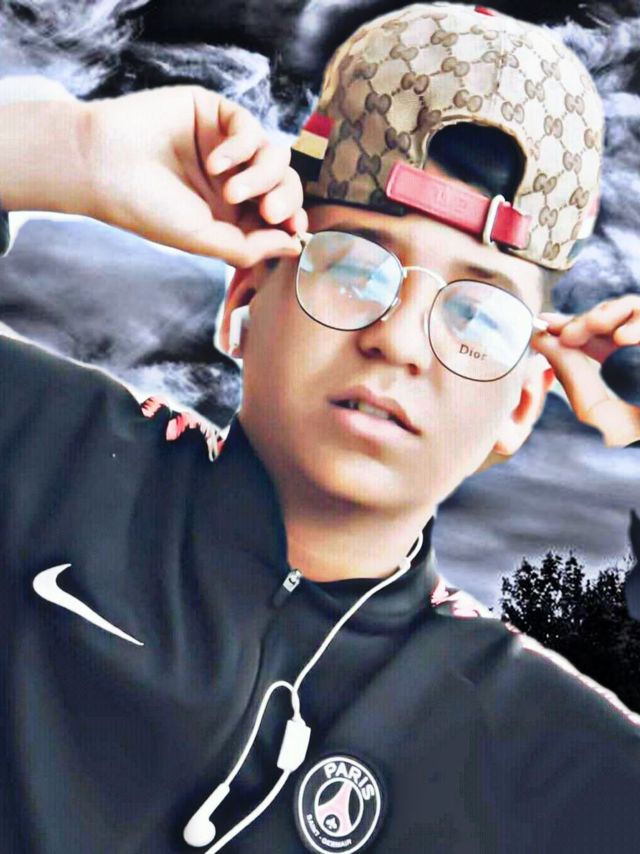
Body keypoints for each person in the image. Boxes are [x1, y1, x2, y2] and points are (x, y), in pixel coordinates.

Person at [1, 3, 639, 853]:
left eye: (478, 316)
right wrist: (62, 149)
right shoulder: (41, 450)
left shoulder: (546, 752)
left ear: (520, 407)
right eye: (355, 266)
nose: (398, 339)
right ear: (244, 298)